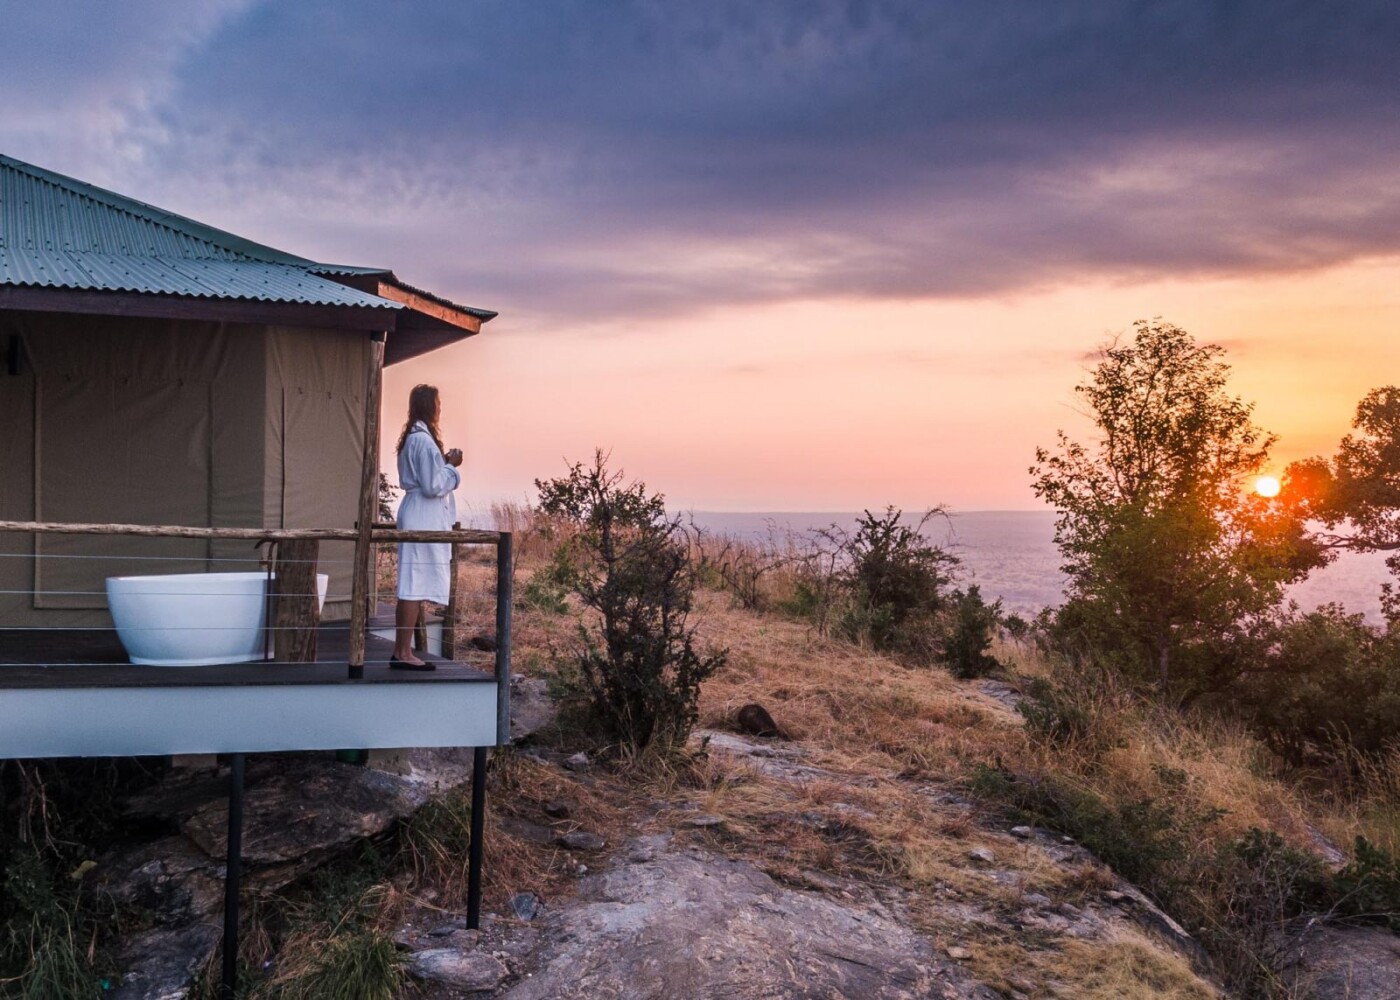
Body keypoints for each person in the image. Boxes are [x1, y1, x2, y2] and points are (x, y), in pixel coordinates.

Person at [391, 384, 463, 669]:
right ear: (429, 406)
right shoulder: (422, 440)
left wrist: (442, 462)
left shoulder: (415, 438)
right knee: (412, 584)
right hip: (421, 515)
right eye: (437, 403)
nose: (440, 407)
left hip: (419, 512)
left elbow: (427, 476)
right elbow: (433, 485)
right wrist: (453, 467)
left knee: (414, 582)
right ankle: (403, 652)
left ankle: (402, 650)